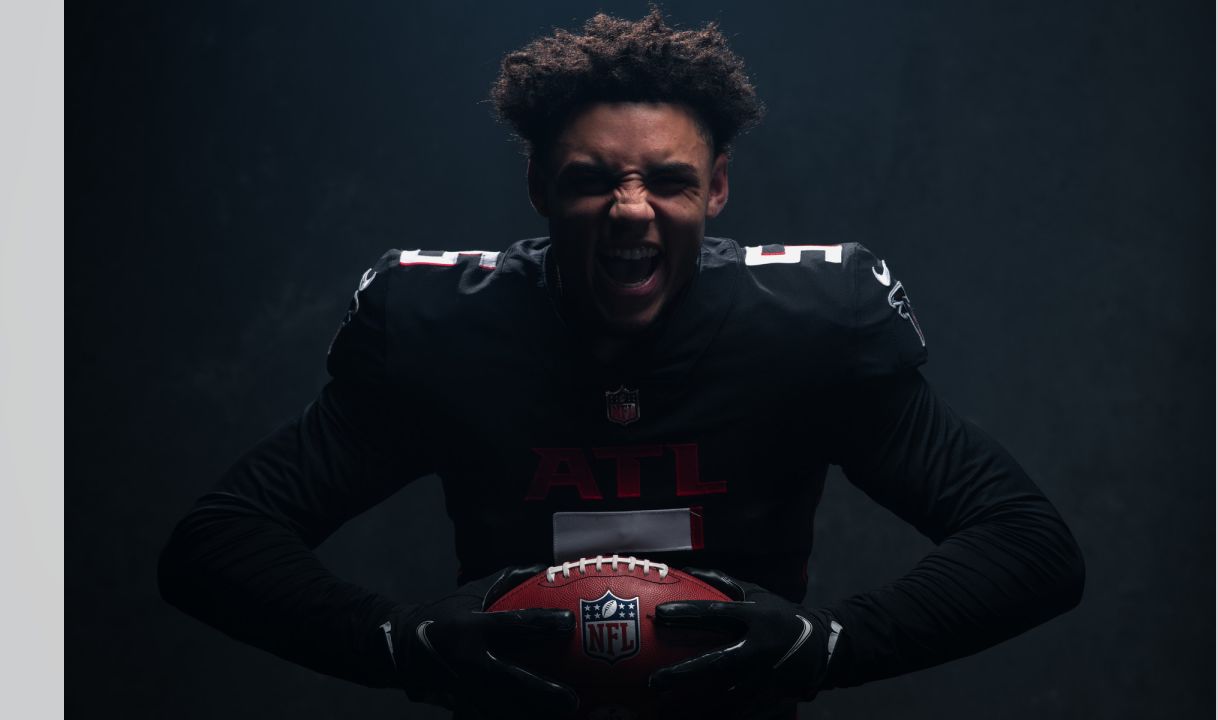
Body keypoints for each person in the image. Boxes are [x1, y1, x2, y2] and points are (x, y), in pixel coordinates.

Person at [158, 9, 1084, 720]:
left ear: (716, 188)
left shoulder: (804, 329)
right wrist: (400, 646)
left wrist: (827, 645)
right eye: (593, 178)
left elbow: (1028, 544)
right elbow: (216, 543)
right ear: (539, 189)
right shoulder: (449, 331)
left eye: (669, 180)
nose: (631, 211)